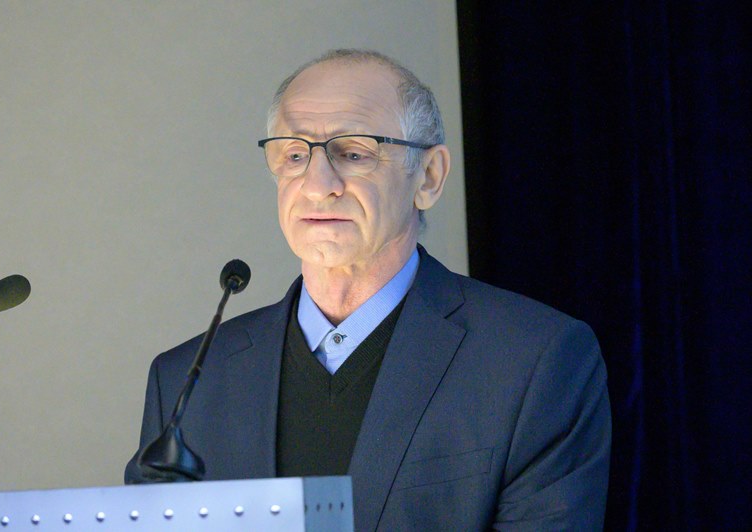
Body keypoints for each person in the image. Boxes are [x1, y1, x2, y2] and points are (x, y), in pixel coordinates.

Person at [125, 49, 611, 530]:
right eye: (294, 154)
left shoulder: (534, 361)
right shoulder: (186, 382)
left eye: (354, 153)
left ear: (429, 177)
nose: (317, 185)